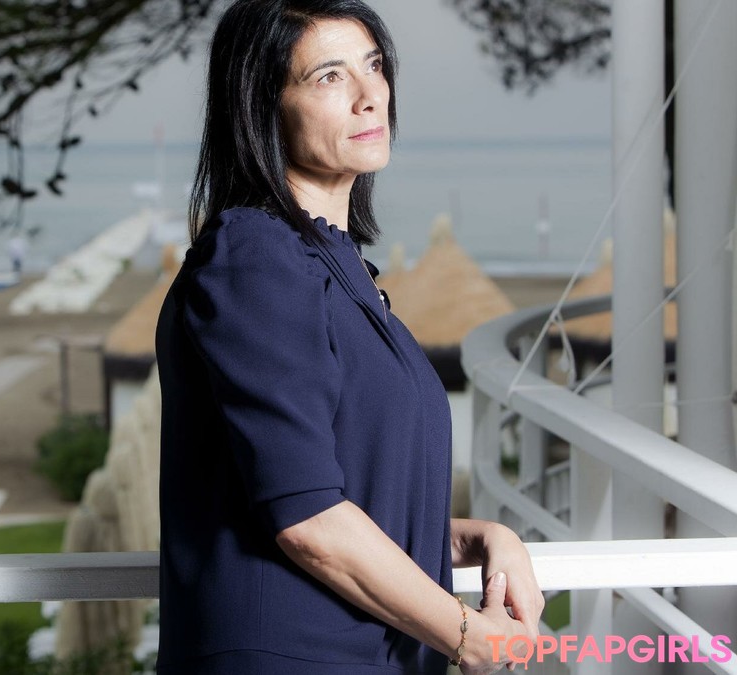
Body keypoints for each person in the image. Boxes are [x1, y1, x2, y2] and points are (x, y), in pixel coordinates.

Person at [154, 1, 544, 673]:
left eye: (374, 66)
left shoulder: (336, 267)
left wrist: (486, 537)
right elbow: (307, 520)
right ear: (262, 106)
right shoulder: (256, 257)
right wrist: (469, 636)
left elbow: (352, 504)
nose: (371, 96)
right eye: (329, 76)